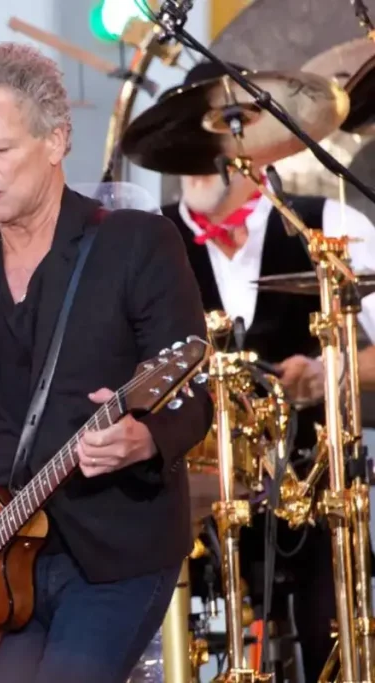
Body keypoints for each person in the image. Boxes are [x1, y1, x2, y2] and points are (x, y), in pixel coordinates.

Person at [0, 42, 213, 683]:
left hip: (112, 554)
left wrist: (143, 439)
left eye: (0, 150)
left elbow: (192, 398)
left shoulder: (137, 245)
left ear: (57, 140)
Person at [161, 60, 375, 683]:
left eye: (216, 132)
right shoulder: (146, 244)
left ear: (255, 136)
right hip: (191, 511)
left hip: (312, 500)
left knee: (331, 633)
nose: (198, 153)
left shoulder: (330, 227)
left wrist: (333, 372)